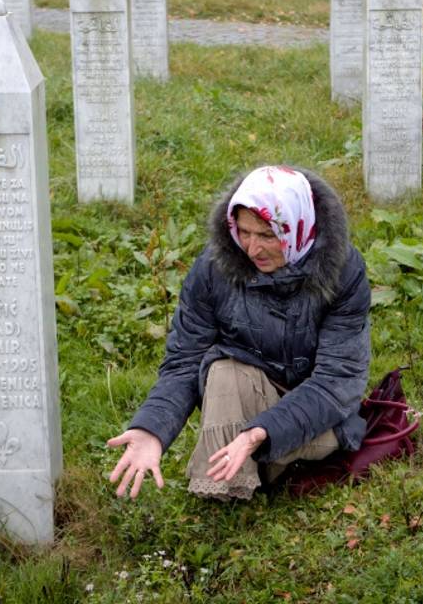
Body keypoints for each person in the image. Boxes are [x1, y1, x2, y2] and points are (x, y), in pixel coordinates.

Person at [107, 165, 371, 500]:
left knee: (284, 429)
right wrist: (152, 429)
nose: (252, 249)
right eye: (244, 232)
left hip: (316, 415)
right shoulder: (212, 269)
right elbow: (185, 361)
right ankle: (228, 486)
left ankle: (267, 461)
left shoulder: (343, 271)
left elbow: (337, 382)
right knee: (223, 371)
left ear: (298, 226)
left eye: (267, 235)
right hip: (247, 394)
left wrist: (262, 431)